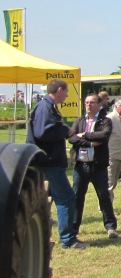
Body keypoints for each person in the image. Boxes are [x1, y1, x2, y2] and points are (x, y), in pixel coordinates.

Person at [27, 79, 88, 250]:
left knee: (54, 199)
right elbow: (42, 132)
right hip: (48, 162)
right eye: (66, 91)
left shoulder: (47, 107)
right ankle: (68, 239)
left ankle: (61, 237)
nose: (67, 95)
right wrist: (64, 130)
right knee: (67, 198)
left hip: (48, 161)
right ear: (59, 90)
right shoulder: (45, 107)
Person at [69, 93, 118, 239]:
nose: (88, 105)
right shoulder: (79, 120)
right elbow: (71, 138)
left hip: (98, 166)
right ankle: (73, 228)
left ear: (99, 104)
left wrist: (83, 135)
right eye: (86, 102)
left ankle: (110, 227)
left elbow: (103, 136)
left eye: (91, 102)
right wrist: (89, 142)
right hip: (80, 166)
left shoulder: (105, 121)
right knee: (77, 197)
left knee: (104, 196)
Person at [106, 97, 121, 206]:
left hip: (120, 154)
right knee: (109, 182)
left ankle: (107, 205)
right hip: (111, 154)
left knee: (114, 182)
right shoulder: (110, 118)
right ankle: (105, 206)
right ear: (116, 107)